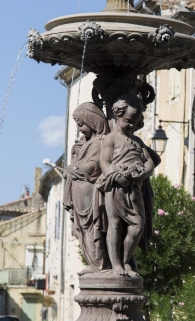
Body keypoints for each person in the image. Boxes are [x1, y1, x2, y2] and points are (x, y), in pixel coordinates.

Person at [96, 94, 156, 277]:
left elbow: (150, 162)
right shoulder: (111, 139)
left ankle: (125, 259)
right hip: (116, 188)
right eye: (129, 121)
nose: (132, 125)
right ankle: (116, 265)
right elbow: (104, 163)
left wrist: (143, 173)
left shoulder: (137, 142)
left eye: (135, 122)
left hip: (134, 189)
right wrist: (116, 175)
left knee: (137, 226)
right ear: (117, 115)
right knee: (115, 225)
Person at [63, 102, 110, 273]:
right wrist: (74, 155)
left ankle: (99, 264)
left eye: (81, 124)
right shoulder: (88, 143)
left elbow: (94, 167)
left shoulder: (98, 142)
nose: (80, 129)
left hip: (89, 193)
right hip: (80, 193)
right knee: (83, 230)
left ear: (93, 121)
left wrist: (73, 167)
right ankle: (94, 263)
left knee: (92, 229)